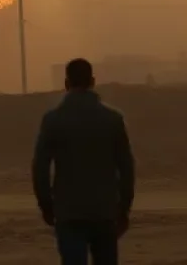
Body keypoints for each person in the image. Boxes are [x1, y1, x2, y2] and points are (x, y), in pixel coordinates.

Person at [32, 58, 135, 265]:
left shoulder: (53, 120)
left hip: (68, 211)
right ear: (92, 82)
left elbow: (40, 167)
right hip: (104, 210)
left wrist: (46, 204)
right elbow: (126, 167)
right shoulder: (113, 119)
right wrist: (124, 208)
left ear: (66, 84)